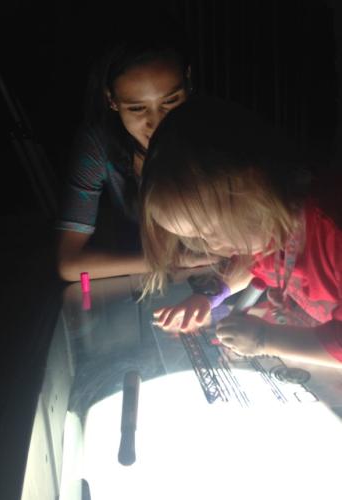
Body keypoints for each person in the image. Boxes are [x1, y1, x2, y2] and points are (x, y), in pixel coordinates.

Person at [139, 96, 342, 368]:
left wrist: (264, 340)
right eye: (198, 238)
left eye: (211, 231)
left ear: (254, 188)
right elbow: (254, 268)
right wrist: (210, 296)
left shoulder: (332, 233)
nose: (212, 246)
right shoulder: (267, 228)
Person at [56, 14, 215, 281]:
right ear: (111, 100)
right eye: (137, 108)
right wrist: (176, 261)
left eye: (171, 101)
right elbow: (70, 263)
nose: (157, 122)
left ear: (188, 81)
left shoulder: (217, 133)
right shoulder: (99, 146)